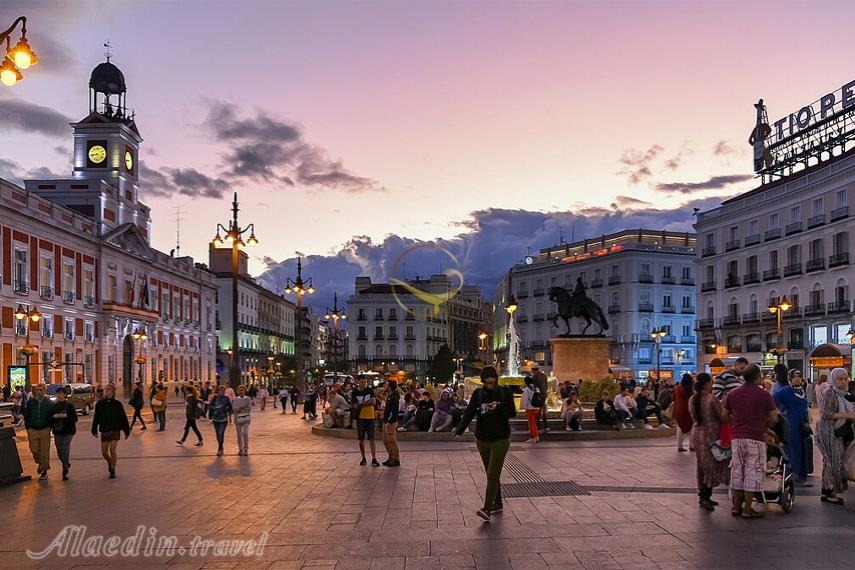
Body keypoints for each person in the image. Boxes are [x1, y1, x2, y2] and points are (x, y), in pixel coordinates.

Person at [455, 366, 517, 522]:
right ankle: (498, 502)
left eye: (492, 378)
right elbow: (469, 412)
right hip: (482, 439)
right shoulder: (478, 394)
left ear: (496, 378)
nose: (489, 381)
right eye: (486, 379)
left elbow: (512, 412)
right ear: (483, 380)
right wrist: (460, 428)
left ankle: (487, 509)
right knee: (492, 473)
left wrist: (499, 407)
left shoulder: (505, 392)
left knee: (492, 473)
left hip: (500, 439)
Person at [722, 363, 778, 518]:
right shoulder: (764, 395)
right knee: (753, 472)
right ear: (758, 377)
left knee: (737, 471)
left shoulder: (733, 394)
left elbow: (724, 416)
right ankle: (747, 509)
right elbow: (774, 417)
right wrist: (765, 424)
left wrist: (735, 421)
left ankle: (736, 507)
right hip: (756, 438)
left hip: (737, 438)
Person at [689, 373, 729, 511]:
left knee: (701, 466)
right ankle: (706, 496)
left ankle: (703, 496)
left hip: (698, 435)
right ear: (706, 383)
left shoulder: (692, 399)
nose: (712, 385)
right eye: (711, 382)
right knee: (710, 466)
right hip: (711, 436)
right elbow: (722, 416)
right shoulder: (711, 399)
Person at [815, 367, 855, 505]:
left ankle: (828, 490)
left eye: (845, 379)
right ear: (833, 379)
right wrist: (847, 415)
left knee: (833, 460)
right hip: (828, 431)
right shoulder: (830, 393)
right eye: (840, 379)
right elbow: (826, 414)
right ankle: (829, 492)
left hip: (836, 431)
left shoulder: (842, 394)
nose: (843, 382)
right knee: (832, 460)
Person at [773, 367, 812, 487]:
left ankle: (802, 474)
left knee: (803, 448)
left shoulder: (802, 391)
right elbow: (774, 399)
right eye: (794, 376)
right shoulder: (786, 391)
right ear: (790, 378)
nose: (797, 378)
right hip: (791, 424)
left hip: (802, 424)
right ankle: (793, 474)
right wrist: (781, 412)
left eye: (799, 376)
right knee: (792, 448)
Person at [90, 384, 131, 479]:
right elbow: (96, 418)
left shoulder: (117, 404)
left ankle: (113, 469)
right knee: (104, 453)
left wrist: (126, 431)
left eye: (108, 390)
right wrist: (94, 430)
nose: (106, 391)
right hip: (104, 429)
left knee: (112, 449)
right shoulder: (100, 404)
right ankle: (109, 461)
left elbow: (123, 418)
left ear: (113, 392)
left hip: (115, 429)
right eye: (106, 390)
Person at [23, 383, 53, 480]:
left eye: (41, 390)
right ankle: (40, 463)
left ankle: (44, 470)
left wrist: (50, 426)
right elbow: (26, 415)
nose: (39, 392)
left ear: (45, 391)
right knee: (34, 450)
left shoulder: (49, 403)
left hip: (45, 429)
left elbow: (52, 416)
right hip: (33, 429)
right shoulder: (31, 402)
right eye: (37, 390)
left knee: (44, 451)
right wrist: (28, 427)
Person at [50, 386, 78, 481]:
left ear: (65, 394)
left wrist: (65, 416)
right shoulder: (54, 406)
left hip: (68, 431)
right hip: (58, 431)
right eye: (58, 393)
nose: (59, 395)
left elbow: (75, 419)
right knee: (59, 450)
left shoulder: (69, 406)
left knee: (65, 448)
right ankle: (66, 463)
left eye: (61, 393)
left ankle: (64, 469)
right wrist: (55, 417)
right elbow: (50, 418)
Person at [353, 377, 379, 466]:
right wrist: (367, 402)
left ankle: (374, 458)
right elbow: (355, 405)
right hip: (361, 417)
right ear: (358, 382)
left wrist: (362, 404)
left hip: (370, 416)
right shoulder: (355, 392)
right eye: (362, 382)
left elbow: (373, 402)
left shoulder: (369, 390)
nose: (364, 384)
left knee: (372, 439)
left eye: (365, 382)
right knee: (361, 439)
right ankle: (363, 457)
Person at [208, 384, 233, 456]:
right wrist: (215, 408)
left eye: (223, 390)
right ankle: (221, 447)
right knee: (217, 435)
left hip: (223, 419)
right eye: (220, 390)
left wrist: (225, 409)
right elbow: (210, 406)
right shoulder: (215, 398)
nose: (222, 392)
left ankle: (219, 449)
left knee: (221, 433)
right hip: (215, 418)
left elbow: (230, 407)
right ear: (218, 391)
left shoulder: (226, 398)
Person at [382, 381, 401, 466]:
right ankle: (391, 457)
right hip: (386, 421)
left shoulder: (394, 397)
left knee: (391, 440)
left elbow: (394, 411)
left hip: (391, 422)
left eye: (386, 384)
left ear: (390, 387)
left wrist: (389, 421)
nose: (384, 386)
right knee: (386, 440)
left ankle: (396, 459)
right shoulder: (389, 396)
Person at [673, 373, 694, 450]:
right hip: (689, 410)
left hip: (679, 410)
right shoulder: (692, 389)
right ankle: (692, 446)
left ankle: (680, 446)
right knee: (692, 428)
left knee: (680, 428)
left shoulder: (677, 388)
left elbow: (674, 398)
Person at [521, 376, 541, 443]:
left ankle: (533, 437)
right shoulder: (536, 388)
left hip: (530, 408)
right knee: (534, 423)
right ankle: (537, 437)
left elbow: (525, 399)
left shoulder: (527, 389)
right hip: (536, 408)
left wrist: (524, 407)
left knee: (531, 424)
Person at [233, 385, 252, 455]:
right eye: (240, 390)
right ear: (238, 391)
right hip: (237, 419)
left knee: (245, 433)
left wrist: (240, 409)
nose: (241, 391)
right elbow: (234, 408)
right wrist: (241, 408)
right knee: (239, 434)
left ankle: (246, 448)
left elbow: (249, 408)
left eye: (242, 390)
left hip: (246, 418)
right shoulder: (236, 399)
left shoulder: (248, 399)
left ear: (245, 391)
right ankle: (240, 449)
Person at [530, 365, 549, 431]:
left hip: (538, 396)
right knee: (543, 411)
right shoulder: (543, 375)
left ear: (533, 370)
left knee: (538, 412)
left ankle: (538, 427)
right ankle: (546, 426)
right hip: (544, 395)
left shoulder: (535, 376)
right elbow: (546, 386)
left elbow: (534, 386)